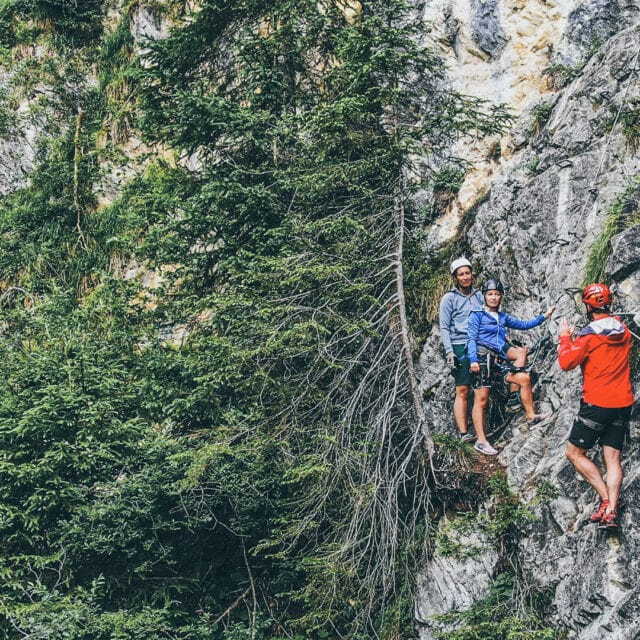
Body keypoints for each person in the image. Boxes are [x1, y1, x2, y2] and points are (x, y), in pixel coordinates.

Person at [559, 283, 633, 531]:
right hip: (623, 402)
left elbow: (566, 363)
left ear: (588, 306)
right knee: (612, 458)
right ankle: (611, 509)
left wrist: (564, 338)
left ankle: (604, 499)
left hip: (597, 403)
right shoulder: (624, 330)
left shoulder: (588, 336)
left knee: (574, 453)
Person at [467, 278, 555, 455]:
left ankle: (531, 417)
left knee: (524, 378)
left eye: (497, 294)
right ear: (485, 296)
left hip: (498, 361)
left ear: (501, 297)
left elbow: (523, 325)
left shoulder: (502, 317)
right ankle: (481, 441)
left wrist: (544, 317)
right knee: (482, 400)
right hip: (483, 359)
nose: (493, 297)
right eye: (490, 294)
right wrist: (473, 360)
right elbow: (471, 338)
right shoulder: (477, 315)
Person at [439, 257, 484, 442]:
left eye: (467, 273)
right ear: (455, 278)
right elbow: (444, 327)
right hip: (460, 345)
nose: (465, 277)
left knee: (481, 388)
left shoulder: (480, 296)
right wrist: (450, 352)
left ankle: (482, 430)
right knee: (463, 389)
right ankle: (464, 433)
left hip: (479, 343)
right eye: (461, 274)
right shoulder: (449, 299)